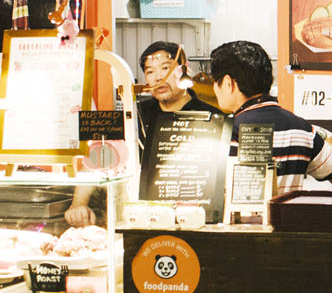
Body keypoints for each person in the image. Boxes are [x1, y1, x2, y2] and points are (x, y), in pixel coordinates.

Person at [64, 41, 225, 226]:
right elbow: (97, 157)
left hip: (197, 218)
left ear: (184, 69)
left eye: (166, 68)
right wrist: (78, 204)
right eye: (150, 71)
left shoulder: (212, 118)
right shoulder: (132, 115)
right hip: (139, 216)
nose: (158, 78)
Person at [208, 40, 332, 194]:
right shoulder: (303, 130)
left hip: (237, 219)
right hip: (288, 218)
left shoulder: (225, 133)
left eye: (215, 83)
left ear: (227, 83)